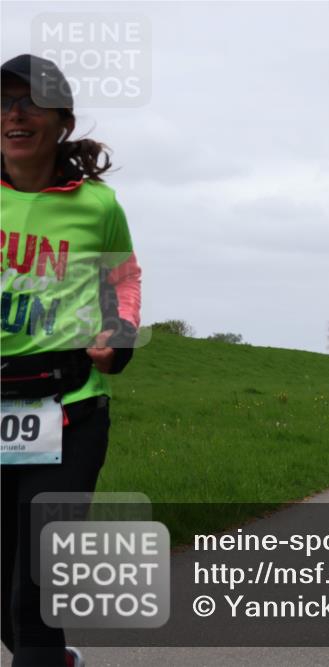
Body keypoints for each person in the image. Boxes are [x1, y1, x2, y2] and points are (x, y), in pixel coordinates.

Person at [1, 54, 142, 667]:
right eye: (3, 101)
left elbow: (124, 278)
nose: (14, 114)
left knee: (33, 592)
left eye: (31, 101)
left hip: (70, 408)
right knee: (6, 604)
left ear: (63, 121)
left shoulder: (98, 206)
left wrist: (122, 334)